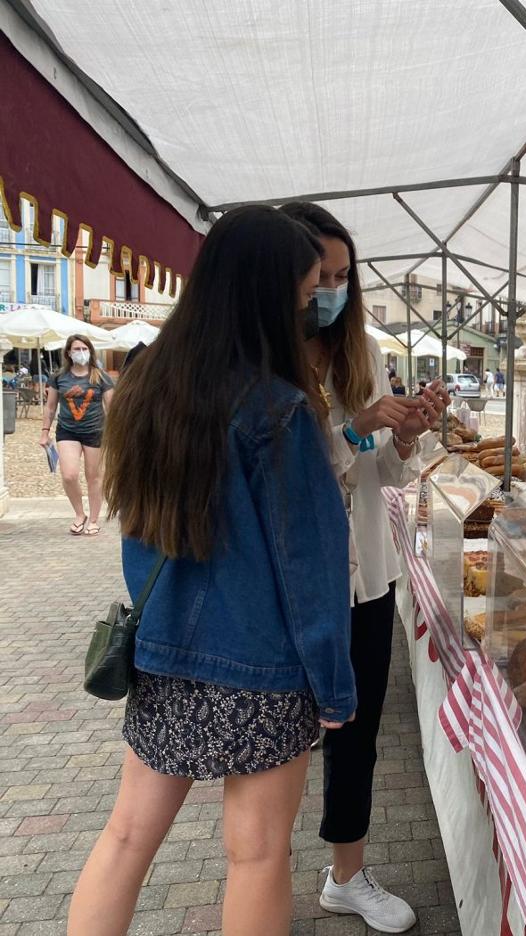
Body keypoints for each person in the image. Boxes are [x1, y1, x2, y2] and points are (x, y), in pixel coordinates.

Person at [67, 206, 355, 936]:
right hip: (263, 668)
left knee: (127, 838)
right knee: (257, 856)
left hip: (165, 655)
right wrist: (335, 686)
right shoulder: (279, 411)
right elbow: (310, 573)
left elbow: (138, 530)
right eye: (306, 284)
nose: (312, 298)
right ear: (268, 289)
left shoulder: (142, 392)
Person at [281, 202, 450, 933]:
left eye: (345, 275)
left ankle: (345, 874)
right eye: (322, 275)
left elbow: (382, 471)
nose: (333, 289)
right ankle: (256, 863)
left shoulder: (363, 355)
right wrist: (355, 428)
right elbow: (294, 477)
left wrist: (407, 433)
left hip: (368, 577)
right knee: (281, 734)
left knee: (358, 727)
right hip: (295, 581)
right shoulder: (263, 363)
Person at [38, 334, 114, 535]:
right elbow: (51, 406)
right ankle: (80, 514)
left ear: (90, 351)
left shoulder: (101, 376)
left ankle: (94, 519)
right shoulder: (59, 377)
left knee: (94, 477)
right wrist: (45, 432)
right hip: (67, 431)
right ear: (69, 353)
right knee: (69, 474)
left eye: (84, 348)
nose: (81, 353)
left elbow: (112, 407)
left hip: (95, 431)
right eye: (76, 349)